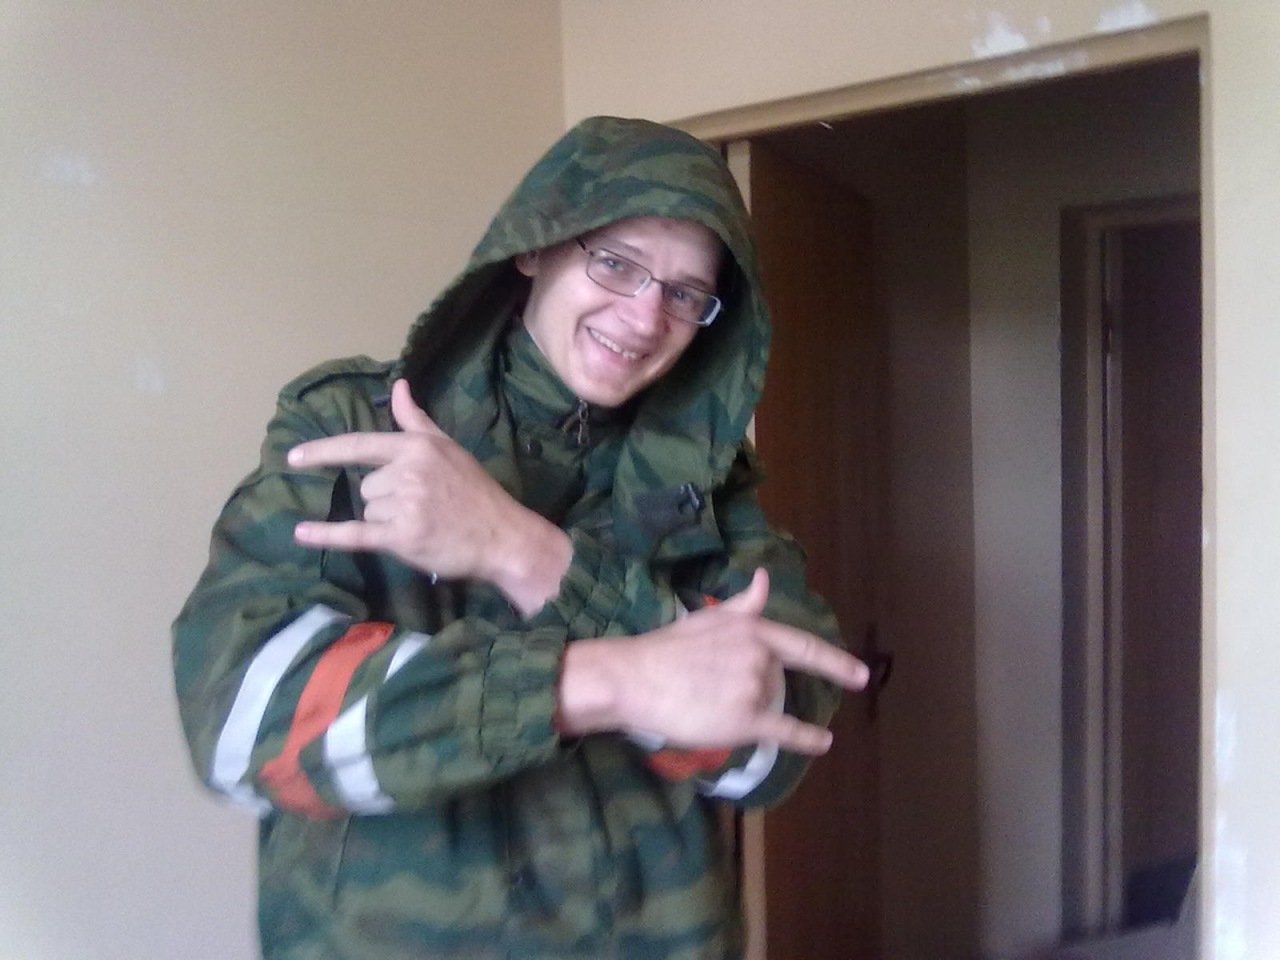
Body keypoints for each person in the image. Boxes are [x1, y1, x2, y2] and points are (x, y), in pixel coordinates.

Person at [173, 115, 868, 960]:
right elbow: (241, 724)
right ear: (536, 247)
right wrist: (610, 679)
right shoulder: (355, 428)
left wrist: (523, 551)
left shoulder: (712, 490)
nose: (645, 316)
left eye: (685, 293)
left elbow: (769, 751)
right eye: (616, 263)